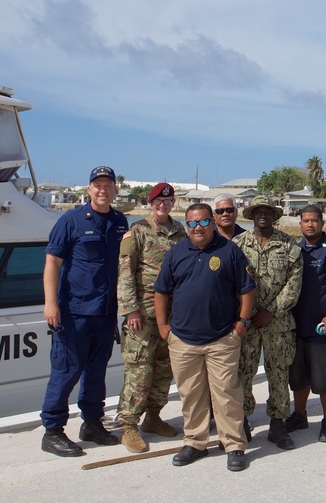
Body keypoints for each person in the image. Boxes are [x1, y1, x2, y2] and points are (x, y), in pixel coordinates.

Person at [154, 203, 256, 472]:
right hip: (183, 340)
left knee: (227, 394)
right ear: (186, 226)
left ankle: (234, 445)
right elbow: (161, 291)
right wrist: (164, 326)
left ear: (212, 222)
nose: (197, 228)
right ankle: (195, 443)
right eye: (192, 223)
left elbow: (247, 290)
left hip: (221, 338)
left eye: (202, 222)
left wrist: (242, 323)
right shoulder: (175, 253)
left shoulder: (230, 251)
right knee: (191, 394)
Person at [40, 165, 129, 457]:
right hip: (74, 311)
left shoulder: (119, 221)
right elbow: (53, 262)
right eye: (97, 185)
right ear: (89, 189)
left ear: (115, 190)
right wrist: (51, 303)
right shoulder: (72, 220)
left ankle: (91, 422)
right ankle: (52, 431)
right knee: (66, 371)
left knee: (96, 371)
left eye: (108, 185)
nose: (103, 190)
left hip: (105, 312)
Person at [116, 182, 187, 453]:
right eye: (158, 201)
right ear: (151, 203)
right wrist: (130, 309)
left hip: (171, 313)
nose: (163, 206)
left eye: (168, 202)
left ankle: (153, 417)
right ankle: (129, 426)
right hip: (143, 312)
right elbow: (125, 273)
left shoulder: (181, 231)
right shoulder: (138, 231)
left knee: (164, 367)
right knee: (139, 369)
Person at [235, 195, 303, 450]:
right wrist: (245, 313)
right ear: (252, 215)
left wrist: (271, 312)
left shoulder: (288, 246)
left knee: (278, 374)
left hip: (278, 325)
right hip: (248, 323)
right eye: (258, 211)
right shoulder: (238, 245)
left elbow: (294, 285)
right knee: (243, 374)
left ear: (275, 216)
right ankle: (242, 421)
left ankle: (277, 424)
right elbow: (231, 283)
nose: (263, 215)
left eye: (268, 211)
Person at [283, 205, 326, 442]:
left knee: (325, 377)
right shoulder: (295, 250)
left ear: (322, 223)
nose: (310, 224)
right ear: (299, 224)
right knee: (298, 377)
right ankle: (299, 415)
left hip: (322, 326)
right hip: (295, 326)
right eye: (305, 220)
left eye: (314, 220)